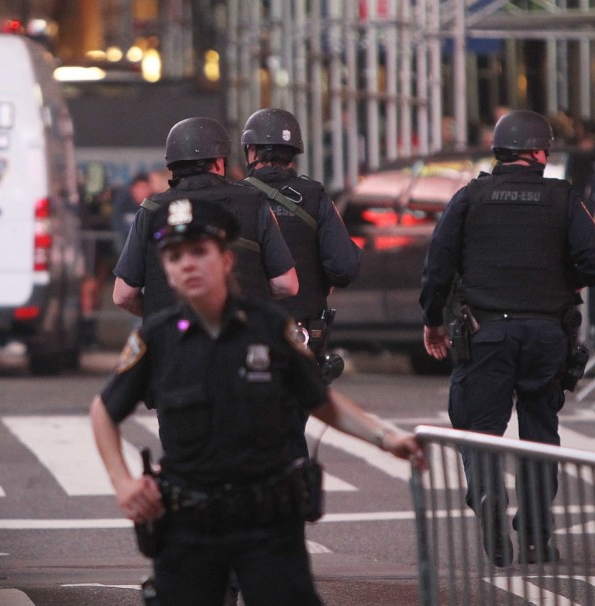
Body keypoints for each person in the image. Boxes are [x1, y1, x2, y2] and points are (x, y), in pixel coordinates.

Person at [92, 198, 424, 605]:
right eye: (175, 257)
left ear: (226, 260)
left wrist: (386, 438)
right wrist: (123, 483)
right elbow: (104, 411)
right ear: (166, 270)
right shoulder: (155, 338)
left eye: (199, 251)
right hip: (189, 527)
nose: (188, 264)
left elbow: (321, 400)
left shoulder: (269, 327)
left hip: (266, 525)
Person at [419, 109, 595, 567]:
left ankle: (488, 493)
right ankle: (535, 539)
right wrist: (564, 281)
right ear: (541, 154)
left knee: (480, 428)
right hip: (547, 334)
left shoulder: (470, 197)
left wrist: (432, 321)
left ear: (499, 152)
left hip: (486, 333)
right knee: (539, 434)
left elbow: (437, 265)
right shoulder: (562, 198)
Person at [113, 116, 298, 318]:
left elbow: (123, 296)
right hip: (241, 333)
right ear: (219, 162)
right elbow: (286, 284)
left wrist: (158, 316)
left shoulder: (150, 211)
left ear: (172, 165)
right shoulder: (255, 204)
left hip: (172, 335)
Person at [241, 107, 362, 381]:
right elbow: (344, 267)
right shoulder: (315, 197)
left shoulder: (235, 198)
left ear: (251, 150)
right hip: (303, 335)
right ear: (293, 152)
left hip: (246, 333)